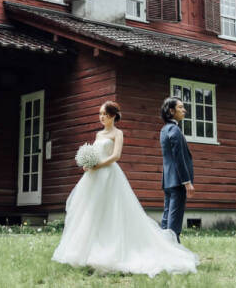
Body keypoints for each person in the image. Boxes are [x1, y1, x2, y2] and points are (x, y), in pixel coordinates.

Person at [51, 101, 198, 277]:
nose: (101, 117)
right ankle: (87, 250)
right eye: (100, 114)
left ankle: (115, 250)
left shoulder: (118, 133)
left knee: (112, 211)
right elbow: (96, 153)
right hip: (93, 177)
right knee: (90, 211)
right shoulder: (98, 135)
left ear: (113, 116)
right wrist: (88, 163)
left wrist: (97, 165)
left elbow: (115, 156)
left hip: (109, 175)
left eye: (104, 114)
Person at [159, 97, 194, 242]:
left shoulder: (164, 129)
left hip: (168, 180)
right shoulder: (174, 130)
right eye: (181, 107)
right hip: (178, 181)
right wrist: (187, 182)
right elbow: (179, 158)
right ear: (171, 111)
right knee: (174, 220)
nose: (184, 110)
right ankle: (174, 251)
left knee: (167, 218)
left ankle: (163, 248)